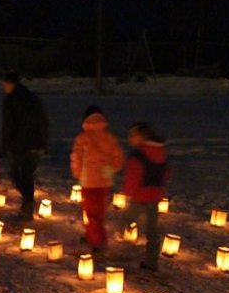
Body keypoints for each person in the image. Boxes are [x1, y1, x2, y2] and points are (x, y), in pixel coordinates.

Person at [70, 106, 124, 253]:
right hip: (104, 182)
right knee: (98, 212)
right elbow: (119, 157)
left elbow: (76, 158)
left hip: (88, 182)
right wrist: (111, 169)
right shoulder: (109, 137)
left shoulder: (83, 138)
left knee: (91, 213)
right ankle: (91, 235)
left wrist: (77, 173)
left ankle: (98, 241)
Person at [120, 122, 170, 271]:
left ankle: (126, 240)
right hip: (155, 196)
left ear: (141, 137)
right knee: (152, 230)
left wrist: (129, 192)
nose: (130, 139)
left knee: (127, 219)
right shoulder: (161, 152)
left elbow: (132, 177)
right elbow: (166, 173)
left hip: (139, 197)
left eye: (132, 136)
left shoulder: (137, 155)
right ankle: (151, 262)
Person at [1, 72, 49, 219]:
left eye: (5, 84)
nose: (4, 87)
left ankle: (28, 204)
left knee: (17, 174)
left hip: (22, 143)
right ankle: (27, 206)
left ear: (11, 84)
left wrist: (5, 145)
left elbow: (9, 125)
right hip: (35, 142)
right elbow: (43, 120)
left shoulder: (11, 100)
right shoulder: (31, 97)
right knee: (26, 175)